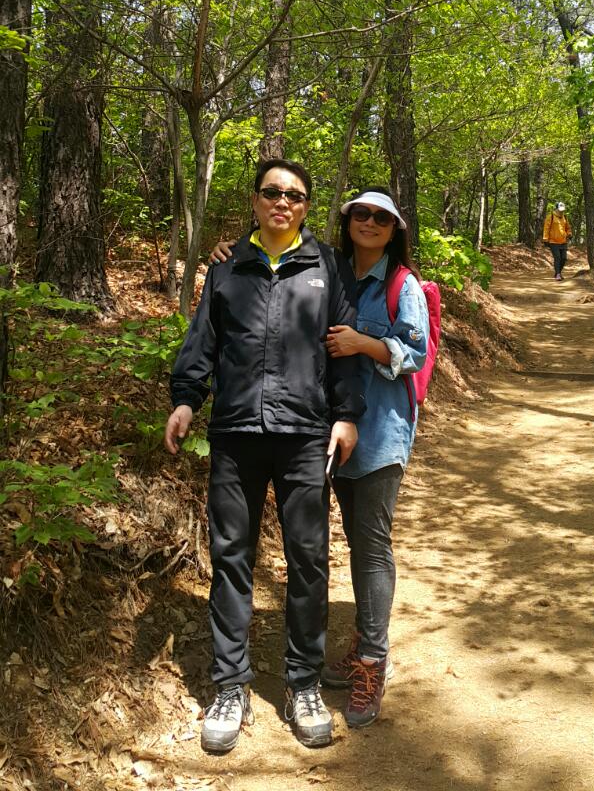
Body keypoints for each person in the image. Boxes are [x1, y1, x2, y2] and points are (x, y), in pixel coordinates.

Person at [210, 184, 429, 730]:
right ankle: (361, 645)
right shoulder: (330, 269)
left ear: (395, 230)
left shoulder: (401, 285)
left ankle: (372, 660)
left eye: (382, 218)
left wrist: (365, 344)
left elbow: (416, 352)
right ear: (347, 221)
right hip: (322, 434)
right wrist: (230, 252)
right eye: (361, 214)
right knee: (350, 539)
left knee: (370, 544)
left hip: (376, 434)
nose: (370, 223)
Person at [165, 159, 366, 754]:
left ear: (306, 206)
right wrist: (185, 400)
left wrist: (347, 414)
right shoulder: (228, 267)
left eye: (295, 195)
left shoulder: (327, 265)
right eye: (273, 192)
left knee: (308, 560)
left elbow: (344, 347)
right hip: (235, 434)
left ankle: (303, 683)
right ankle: (230, 685)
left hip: (305, 434)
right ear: (255, 200)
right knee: (232, 558)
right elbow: (203, 340)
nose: (283, 201)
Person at [543, 201, 572, 281]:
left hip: (563, 241)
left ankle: (558, 272)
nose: (561, 211)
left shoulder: (565, 217)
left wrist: (569, 234)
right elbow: (546, 228)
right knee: (557, 258)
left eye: (563, 210)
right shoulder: (551, 217)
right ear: (556, 209)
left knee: (564, 258)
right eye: (560, 210)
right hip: (553, 241)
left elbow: (568, 228)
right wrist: (545, 239)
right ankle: (558, 274)